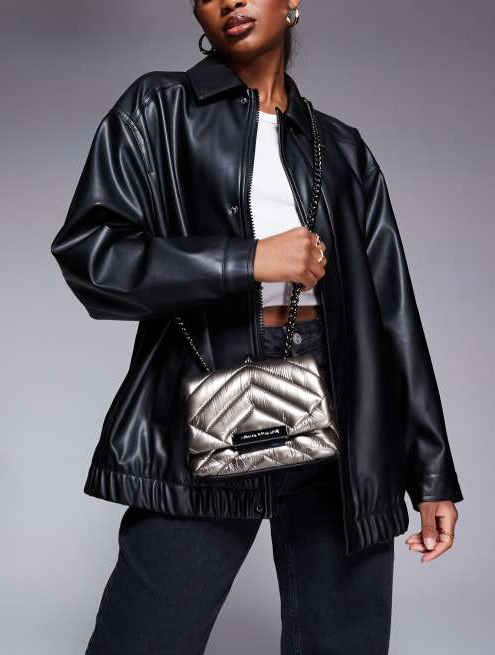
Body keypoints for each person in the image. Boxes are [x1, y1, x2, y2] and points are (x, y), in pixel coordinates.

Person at [50, 1, 464, 653]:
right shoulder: (159, 109)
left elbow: (393, 315)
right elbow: (93, 258)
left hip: (342, 416)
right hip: (206, 399)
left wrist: (431, 470)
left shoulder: (341, 149)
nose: (228, 1)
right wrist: (246, 260)